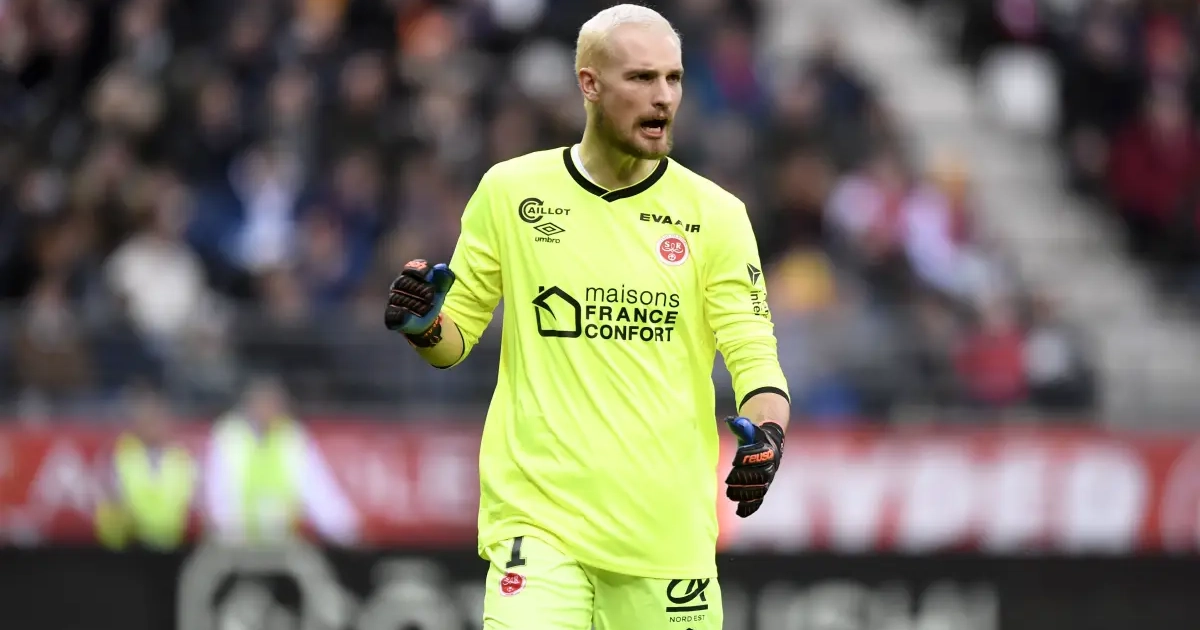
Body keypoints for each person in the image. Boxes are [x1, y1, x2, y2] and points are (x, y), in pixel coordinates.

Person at [383, 5, 789, 629]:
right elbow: (452, 339)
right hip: (539, 524)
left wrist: (769, 435)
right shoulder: (511, 192)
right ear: (590, 84)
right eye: (642, 78)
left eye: (674, 78)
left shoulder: (717, 216)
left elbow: (754, 353)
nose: (663, 97)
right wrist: (424, 325)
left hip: (664, 539)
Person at [202, 376, 360, 546]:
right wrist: (232, 537)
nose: (268, 410)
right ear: (249, 405)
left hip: (283, 541)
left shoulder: (291, 436)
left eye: (273, 405)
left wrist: (344, 531)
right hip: (234, 540)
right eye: (263, 403)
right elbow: (218, 492)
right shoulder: (229, 435)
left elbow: (317, 488)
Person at [95, 385, 198, 551]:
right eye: (148, 419)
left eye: (158, 418)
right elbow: (111, 503)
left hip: (172, 544)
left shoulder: (180, 458)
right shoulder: (121, 455)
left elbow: (188, 501)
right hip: (130, 544)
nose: (154, 425)